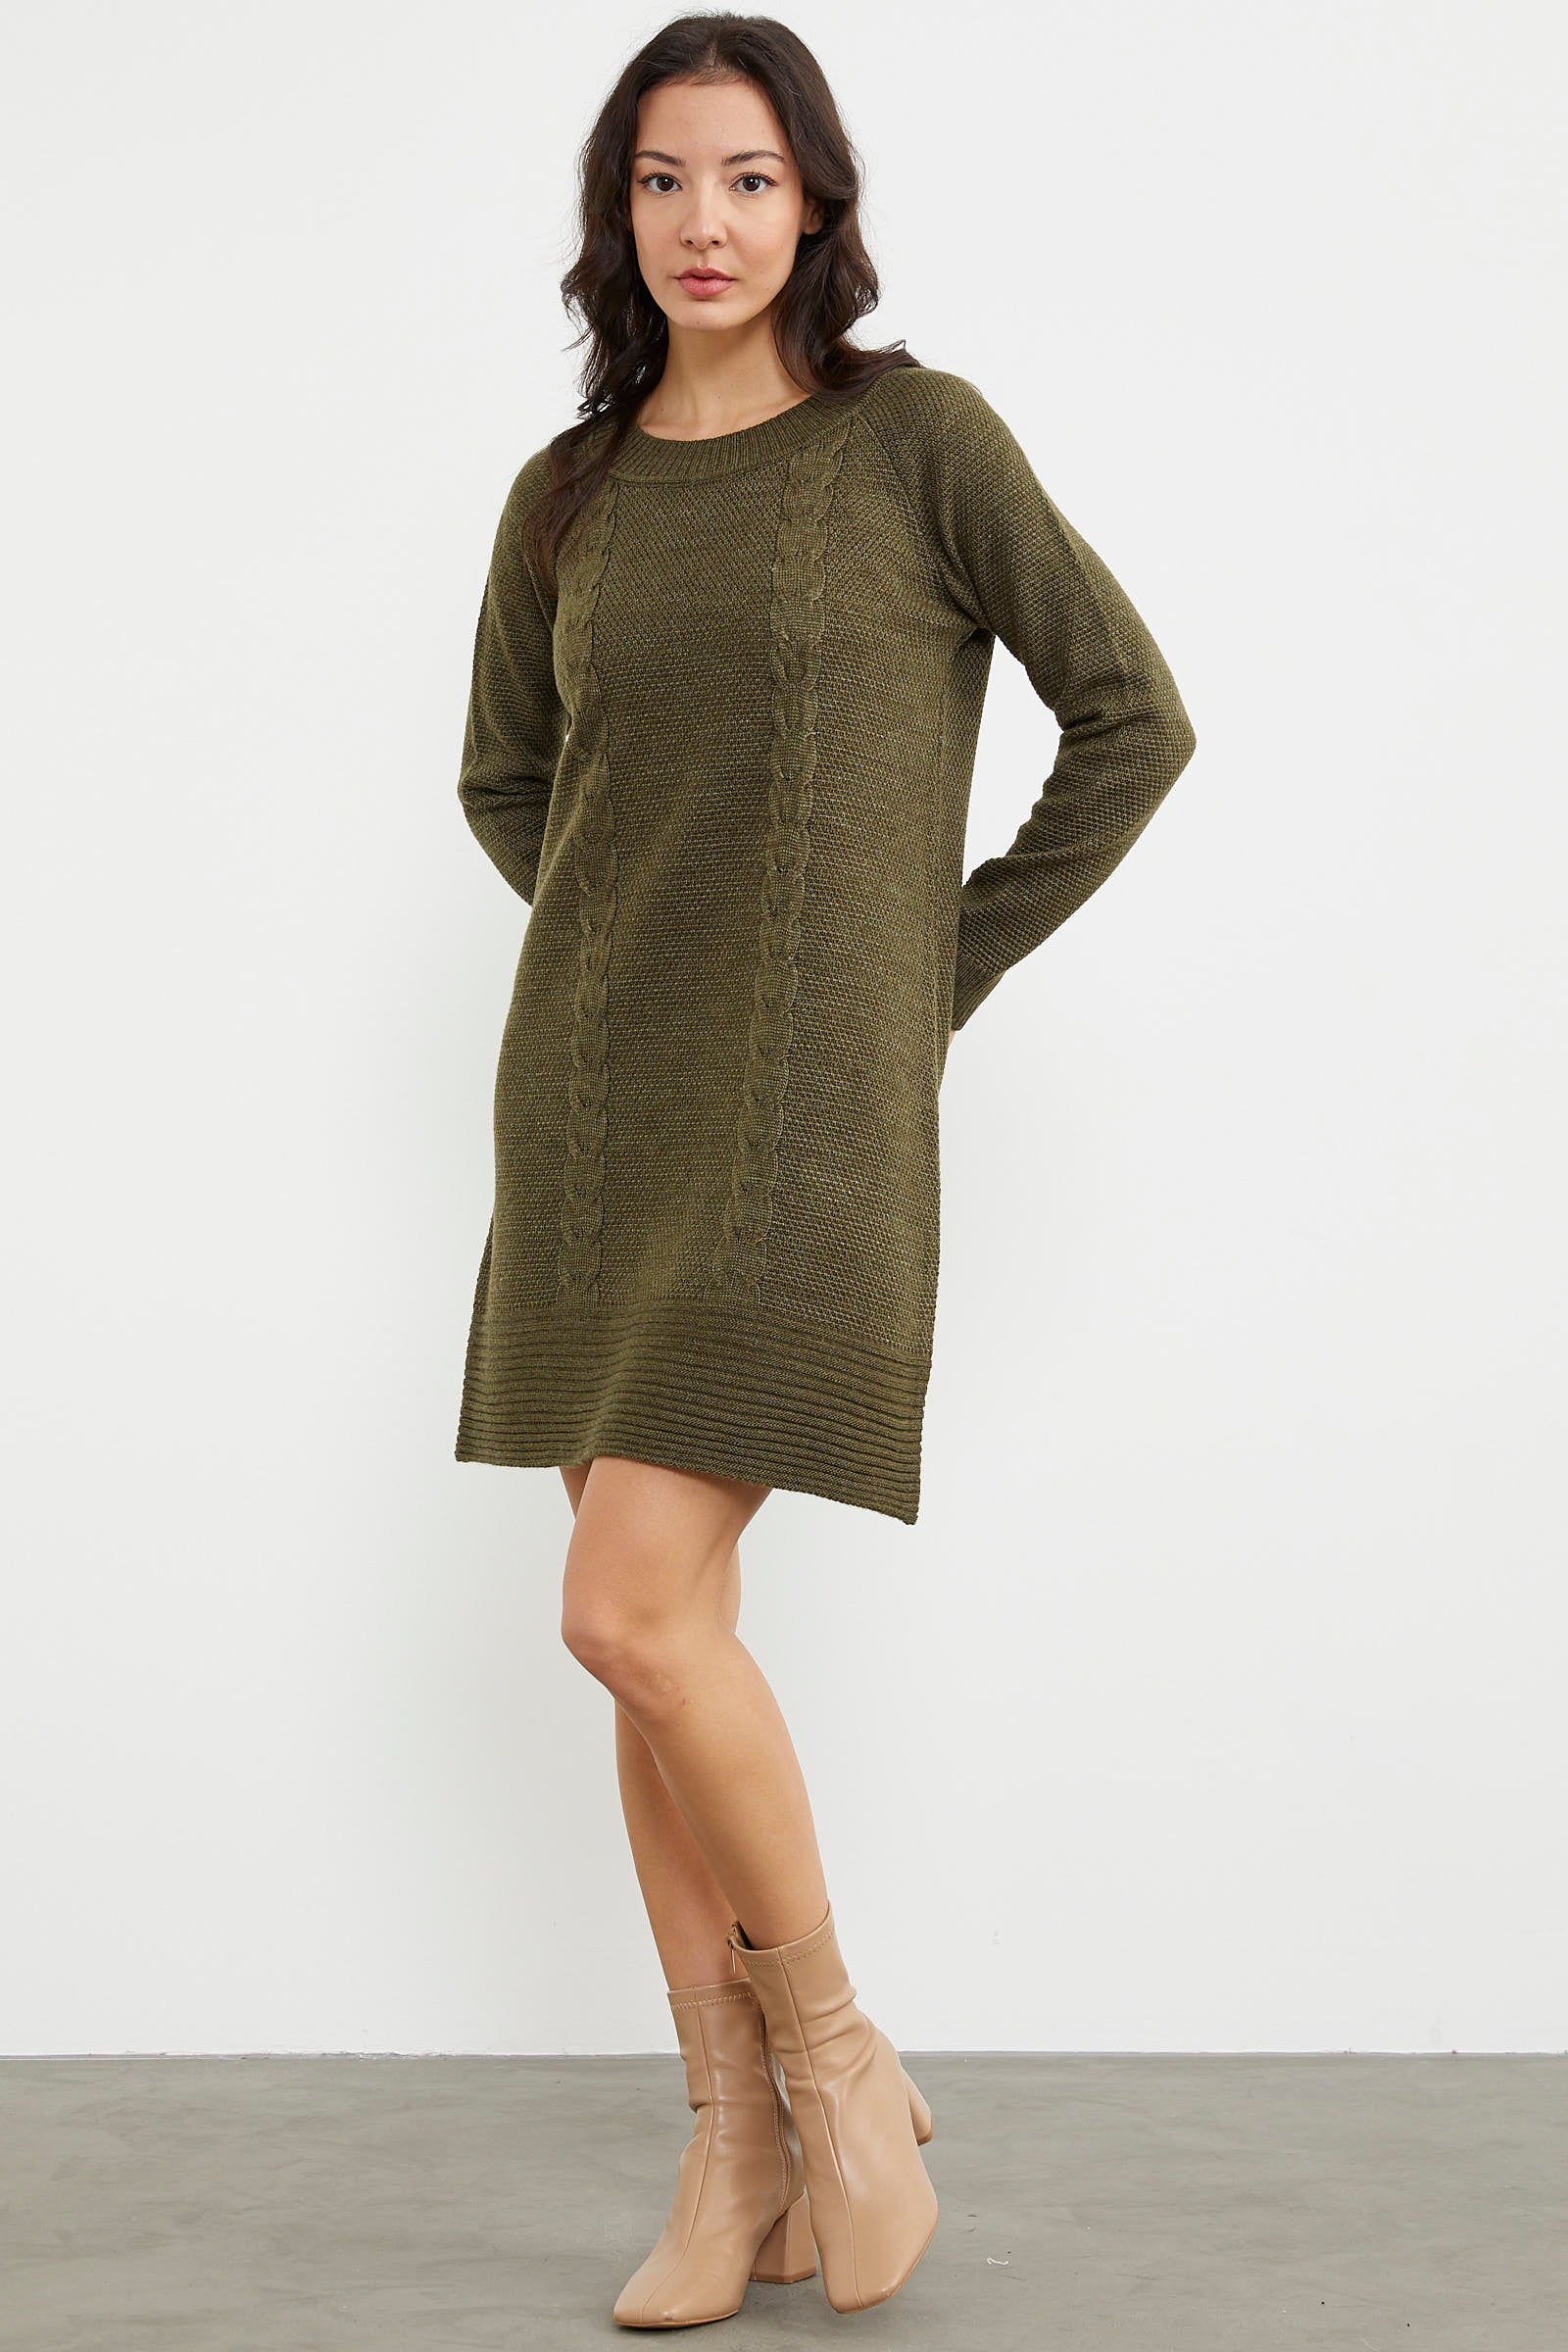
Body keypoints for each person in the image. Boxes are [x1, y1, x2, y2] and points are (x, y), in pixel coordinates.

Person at [451, 13, 1196, 2329]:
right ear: (617, 214)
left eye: (748, 179)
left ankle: (841, 2069)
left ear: (816, 207)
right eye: (662, 181)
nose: (703, 223)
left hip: (800, 1115)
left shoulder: (915, 445)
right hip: (591, 1111)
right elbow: (505, 783)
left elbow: (1130, 717)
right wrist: (628, 951)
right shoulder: (565, 494)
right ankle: (737, 2150)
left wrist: (913, 971)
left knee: (623, 1608)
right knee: (650, 1644)